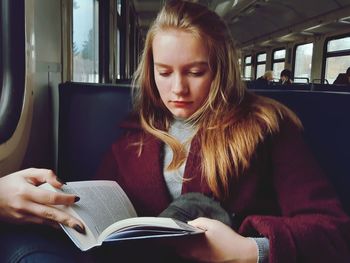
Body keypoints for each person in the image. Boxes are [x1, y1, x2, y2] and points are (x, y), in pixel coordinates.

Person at [1, 1, 350, 262]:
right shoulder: (132, 138)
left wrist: (249, 250)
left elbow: (335, 231)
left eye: (195, 72)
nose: (177, 89)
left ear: (220, 69)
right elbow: (97, 222)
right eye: (164, 72)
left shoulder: (266, 128)